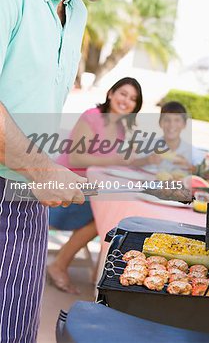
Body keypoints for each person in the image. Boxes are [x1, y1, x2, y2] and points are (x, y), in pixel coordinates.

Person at [0, 0, 159, 340]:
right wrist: (41, 167)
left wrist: (39, 172)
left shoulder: (77, 12)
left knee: (15, 328)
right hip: (24, 180)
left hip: (27, 200)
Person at [48, 77, 143, 293]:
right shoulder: (92, 116)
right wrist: (119, 160)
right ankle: (59, 266)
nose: (126, 101)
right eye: (123, 94)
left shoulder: (119, 129)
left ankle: (97, 272)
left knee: (112, 212)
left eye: (133, 99)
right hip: (65, 187)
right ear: (111, 93)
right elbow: (76, 159)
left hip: (88, 189)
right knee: (104, 218)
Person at [140, 101, 206, 174]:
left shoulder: (193, 153)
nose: (171, 125)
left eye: (177, 120)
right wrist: (146, 160)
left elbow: (204, 174)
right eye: (167, 120)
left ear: (184, 124)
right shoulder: (147, 146)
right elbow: (130, 163)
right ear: (160, 123)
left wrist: (187, 165)